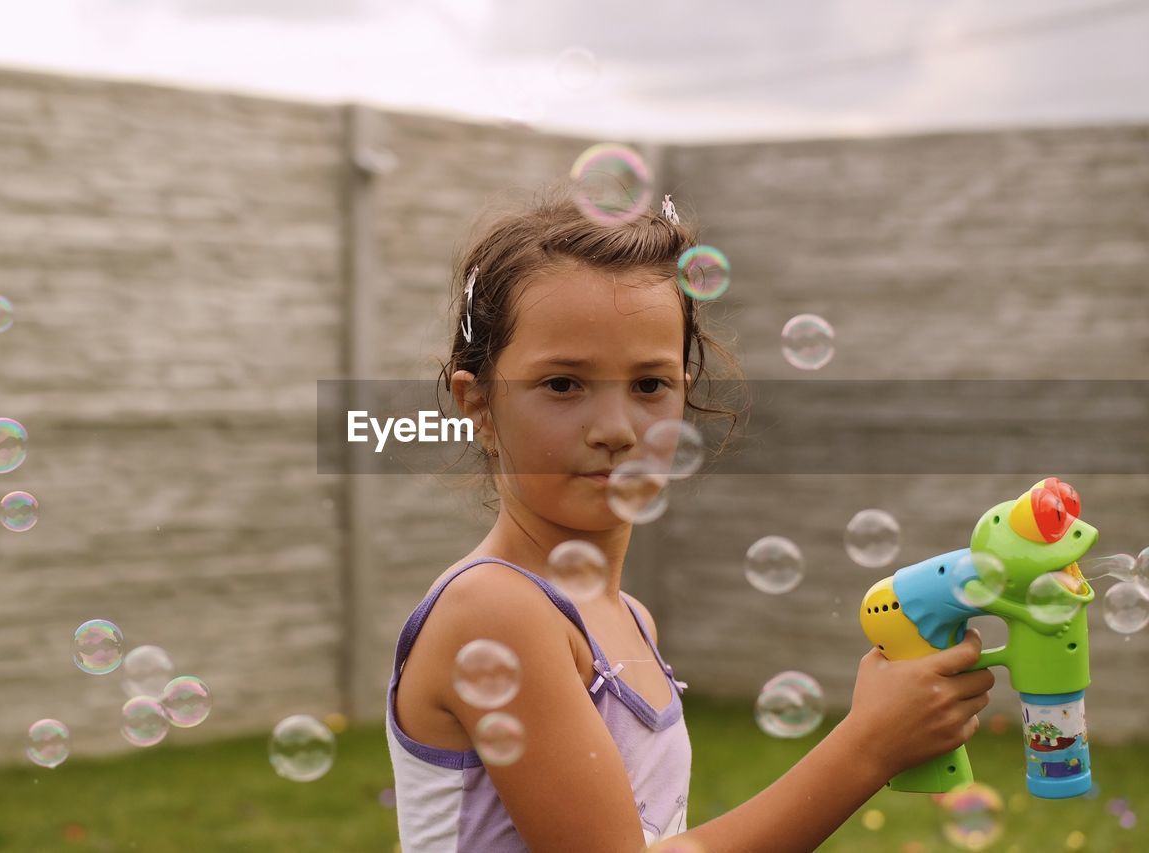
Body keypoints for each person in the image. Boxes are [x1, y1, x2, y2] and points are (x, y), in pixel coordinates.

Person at [384, 182, 994, 852]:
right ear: (478, 405)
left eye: (649, 384)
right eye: (562, 383)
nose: (615, 428)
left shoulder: (627, 617)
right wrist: (867, 747)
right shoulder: (497, 609)